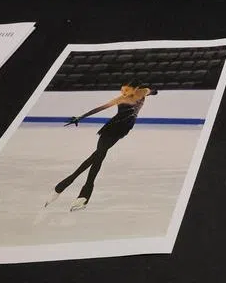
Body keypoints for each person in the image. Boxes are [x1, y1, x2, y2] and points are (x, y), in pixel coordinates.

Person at [45, 82, 158, 211]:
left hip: (123, 129)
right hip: (111, 128)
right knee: (98, 157)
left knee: (96, 156)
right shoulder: (121, 99)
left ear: (136, 89)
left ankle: (62, 186)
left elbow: (151, 91)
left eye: (126, 90)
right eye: (122, 90)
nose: (123, 93)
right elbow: (99, 109)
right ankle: (82, 195)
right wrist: (80, 117)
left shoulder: (143, 92)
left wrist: (154, 91)